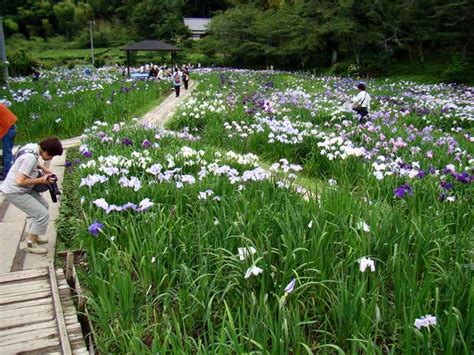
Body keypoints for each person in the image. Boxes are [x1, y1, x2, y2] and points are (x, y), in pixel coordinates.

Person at [1, 137, 63, 254]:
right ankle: (30, 244)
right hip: (15, 191)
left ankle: (34, 233)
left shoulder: (33, 147)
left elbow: (32, 160)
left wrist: (43, 168)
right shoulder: (30, 158)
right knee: (41, 214)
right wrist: (41, 180)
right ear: (45, 152)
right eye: (51, 156)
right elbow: (20, 181)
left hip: (21, 188)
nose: (51, 158)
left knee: (44, 205)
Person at [0, 103, 17, 180]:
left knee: (7, 153)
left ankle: (7, 173)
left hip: (8, 128)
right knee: (7, 152)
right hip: (9, 126)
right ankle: (5, 171)